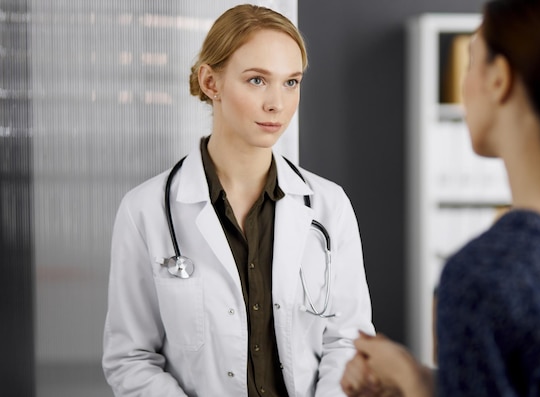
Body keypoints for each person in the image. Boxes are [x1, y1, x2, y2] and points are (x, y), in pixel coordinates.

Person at [341, 0, 540, 395]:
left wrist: (412, 383)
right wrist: (419, 379)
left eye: (471, 58)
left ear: (499, 79)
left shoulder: (488, 276)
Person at [102, 4, 374, 396]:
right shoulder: (144, 211)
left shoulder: (329, 206)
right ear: (211, 83)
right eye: (257, 81)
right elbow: (131, 359)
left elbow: (349, 342)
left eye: (291, 82)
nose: (277, 104)